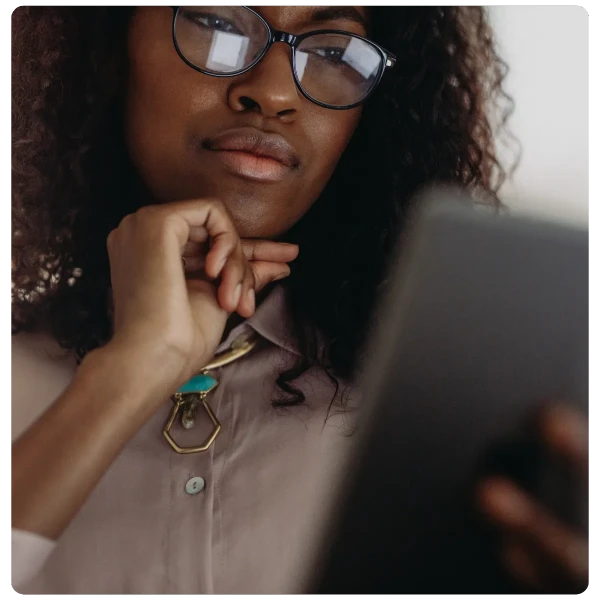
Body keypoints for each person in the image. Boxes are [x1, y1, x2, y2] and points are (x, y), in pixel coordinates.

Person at [9, 5, 590, 594]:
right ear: (110, 45)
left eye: (335, 52)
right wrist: (130, 372)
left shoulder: (451, 408)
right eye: (219, 24)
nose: (274, 91)